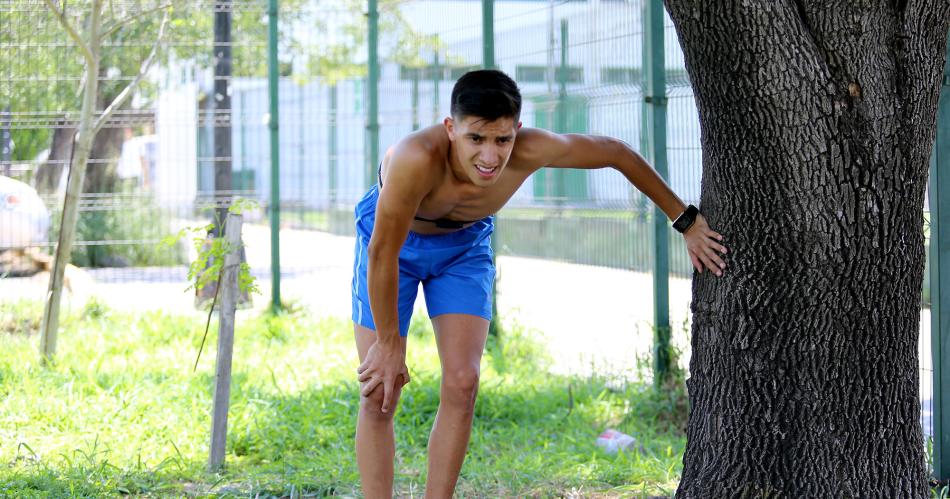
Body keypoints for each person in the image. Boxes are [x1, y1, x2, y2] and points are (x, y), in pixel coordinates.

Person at [351, 69, 727, 498]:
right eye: (476, 139)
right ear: (451, 128)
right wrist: (389, 343)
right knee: (380, 389)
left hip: (464, 247)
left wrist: (686, 220)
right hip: (394, 250)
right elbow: (383, 252)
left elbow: (616, 153)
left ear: (518, 132)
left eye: (502, 140)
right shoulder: (414, 158)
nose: (491, 156)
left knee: (462, 382)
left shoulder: (533, 149)